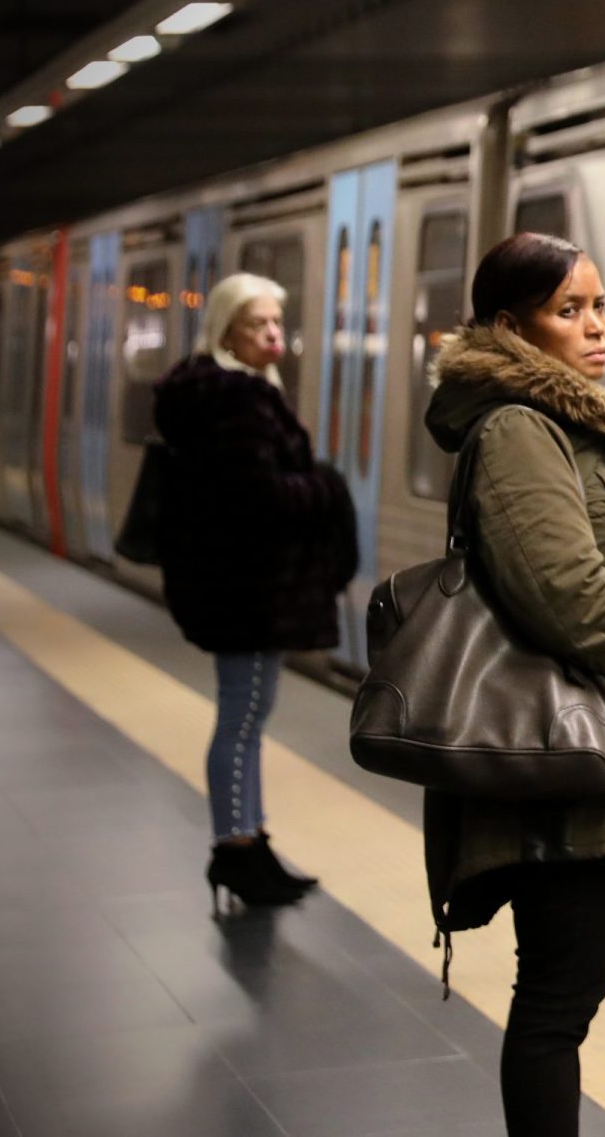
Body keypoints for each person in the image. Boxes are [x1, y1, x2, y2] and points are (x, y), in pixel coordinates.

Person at [422, 231, 605, 1137]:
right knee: (557, 1003)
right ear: (512, 327)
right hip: (563, 758)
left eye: (597, 307)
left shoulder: (565, 425)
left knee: (560, 997)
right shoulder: (519, 428)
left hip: (591, 755)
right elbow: (567, 592)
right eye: (567, 311)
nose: (593, 329)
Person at [154, 272, 356, 912]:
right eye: (258, 325)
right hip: (245, 590)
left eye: (277, 322)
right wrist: (325, 486)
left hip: (239, 586)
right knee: (241, 719)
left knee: (248, 718)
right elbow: (257, 497)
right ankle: (234, 852)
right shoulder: (237, 400)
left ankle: (252, 841)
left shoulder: (231, 393)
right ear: (228, 332)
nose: (275, 334)